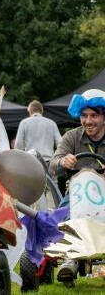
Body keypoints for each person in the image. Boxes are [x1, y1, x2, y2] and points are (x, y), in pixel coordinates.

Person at [48, 88, 105, 284]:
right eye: (84, 115)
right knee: (64, 216)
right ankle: (70, 259)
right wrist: (63, 162)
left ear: (104, 117)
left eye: (94, 116)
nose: (88, 121)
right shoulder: (72, 136)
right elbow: (52, 165)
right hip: (77, 193)